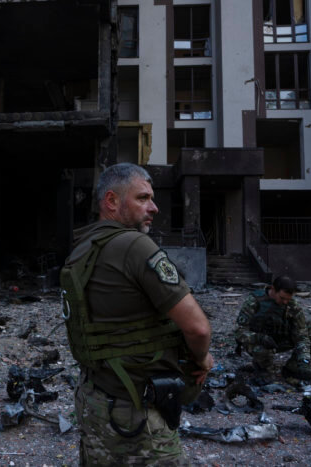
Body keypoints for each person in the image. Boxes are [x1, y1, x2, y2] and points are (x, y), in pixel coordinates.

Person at [60, 162, 214, 466]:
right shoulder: (135, 246)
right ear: (112, 201)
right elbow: (198, 329)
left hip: (94, 399)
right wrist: (202, 359)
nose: (154, 207)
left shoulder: (81, 249)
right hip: (134, 411)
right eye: (142, 198)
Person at [235, 275, 311, 380]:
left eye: (288, 299)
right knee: (266, 377)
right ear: (273, 289)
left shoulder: (292, 306)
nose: (285, 302)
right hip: (258, 342)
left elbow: (302, 335)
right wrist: (259, 337)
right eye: (282, 298)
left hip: (281, 340)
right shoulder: (254, 301)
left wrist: (304, 360)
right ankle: (263, 368)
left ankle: (293, 367)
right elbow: (239, 332)